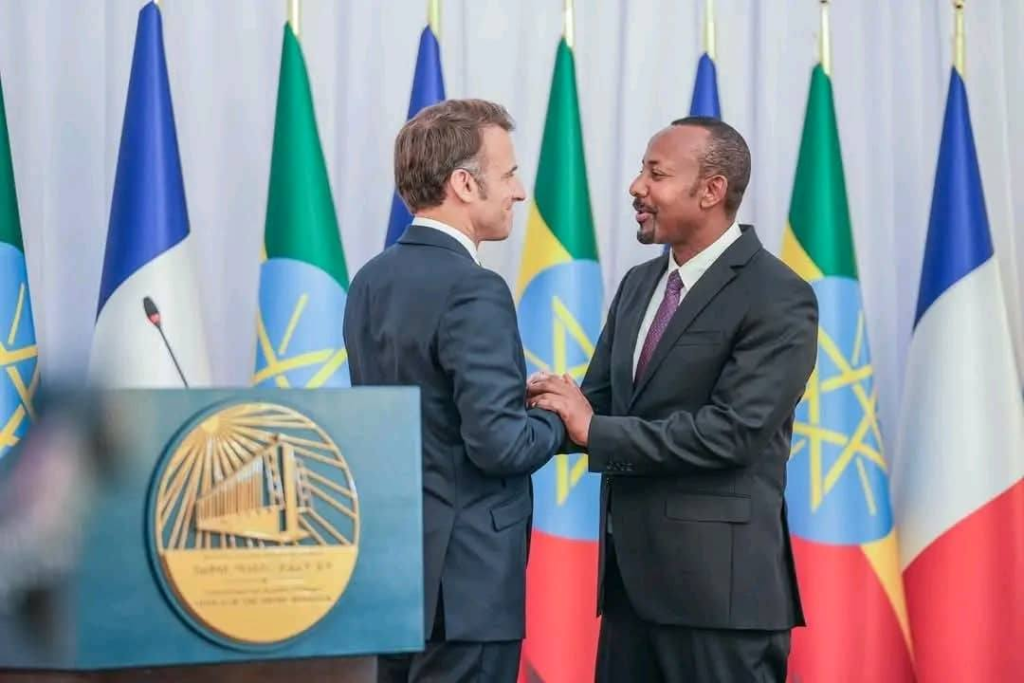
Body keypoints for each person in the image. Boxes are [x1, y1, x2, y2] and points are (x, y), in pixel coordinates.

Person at [528, 117, 818, 683]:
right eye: (642, 171)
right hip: (629, 597)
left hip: (719, 605)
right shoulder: (639, 284)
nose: (636, 186)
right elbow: (596, 403)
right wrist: (520, 407)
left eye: (655, 174)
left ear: (711, 190)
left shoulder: (778, 295)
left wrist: (594, 428)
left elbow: (733, 433)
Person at [343, 99, 564, 683]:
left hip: (395, 575)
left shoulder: (370, 280)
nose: (519, 192)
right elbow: (500, 446)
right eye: (509, 174)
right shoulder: (474, 288)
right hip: (466, 586)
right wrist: (559, 415)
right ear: (465, 184)